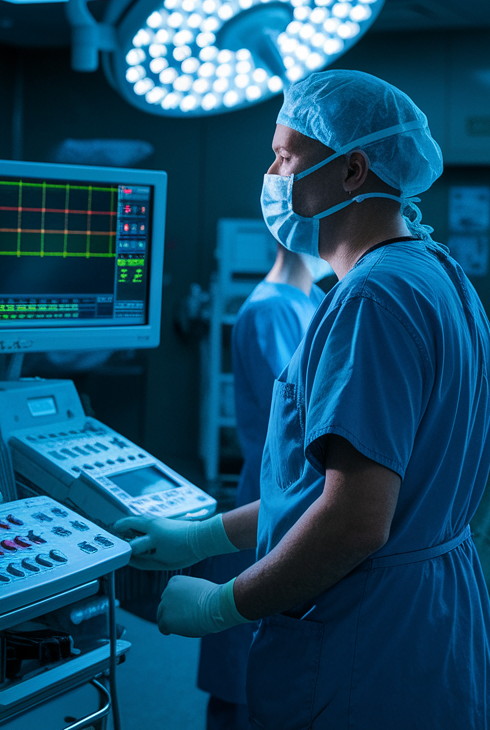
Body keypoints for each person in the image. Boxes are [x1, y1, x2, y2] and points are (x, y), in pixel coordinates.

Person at [116, 70, 490, 728]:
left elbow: (354, 521)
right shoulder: (434, 272)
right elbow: (324, 488)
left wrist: (223, 605)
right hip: (427, 622)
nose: (272, 171)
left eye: (287, 155)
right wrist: (195, 538)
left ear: (353, 170)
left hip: (367, 641)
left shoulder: (373, 300)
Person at [194, 245, 329, 730]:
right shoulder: (268, 310)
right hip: (268, 498)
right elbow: (306, 415)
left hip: (298, 495)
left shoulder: (313, 296)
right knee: (240, 679)